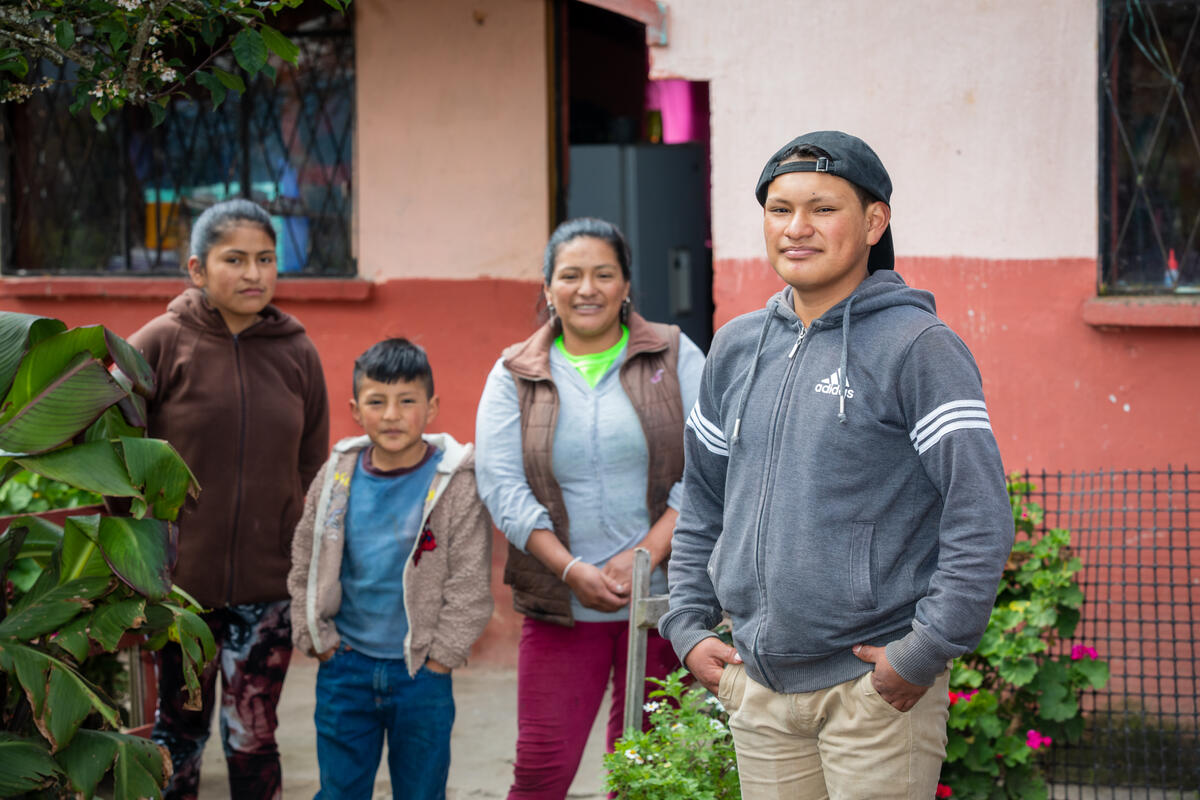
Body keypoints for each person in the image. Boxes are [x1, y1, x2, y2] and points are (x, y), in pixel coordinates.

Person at [659, 131, 1015, 799]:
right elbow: (704, 498)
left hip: (871, 693)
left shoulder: (919, 347)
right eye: (779, 209)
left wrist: (923, 651)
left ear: (873, 221)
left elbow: (980, 511)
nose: (797, 228)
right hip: (758, 687)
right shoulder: (737, 349)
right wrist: (685, 622)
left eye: (823, 208)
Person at [475, 217, 705, 799]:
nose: (588, 289)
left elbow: (710, 468)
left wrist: (647, 556)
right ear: (547, 287)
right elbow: (502, 488)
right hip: (561, 606)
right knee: (540, 773)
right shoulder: (514, 374)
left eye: (604, 274)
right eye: (571, 275)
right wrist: (571, 569)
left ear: (626, 284)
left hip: (666, 607)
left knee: (649, 776)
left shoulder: (676, 355)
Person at [128, 199, 330, 799]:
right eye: (234, 259)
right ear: (197, 269)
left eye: (266, 259)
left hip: (268, 592)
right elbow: (117, 452)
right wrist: (140, 552)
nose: (253, 274)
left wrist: (299, 556)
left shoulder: (298, 352)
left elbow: (312, 465)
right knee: (178, 735)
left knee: (254, 736)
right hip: (179, 592)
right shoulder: (161, 342)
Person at [287, 338, 493, 799]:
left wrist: (440, 658)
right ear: (356, 410)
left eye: (407, 401)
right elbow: (307, 556)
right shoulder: (336, 476)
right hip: (345, 668)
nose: (392, 415)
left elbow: (469, 583)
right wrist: (318, 640)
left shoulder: (454, 483)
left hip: (420, 675)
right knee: (339, 791)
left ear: (432, 406)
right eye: (377, 402)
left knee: (421, 792)